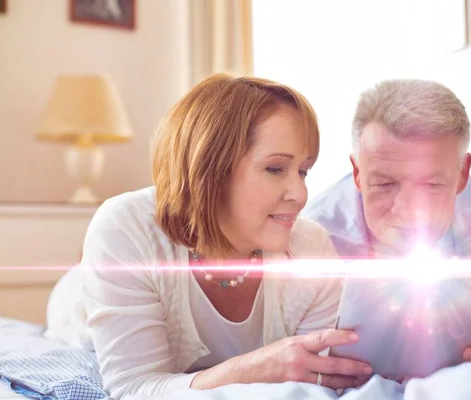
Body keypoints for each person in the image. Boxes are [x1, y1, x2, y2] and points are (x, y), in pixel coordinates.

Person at [45, 74, 372, 399]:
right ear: (210, 167)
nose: (300, 194)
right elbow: (133, 388)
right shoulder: (126, 228)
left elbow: (311, 381)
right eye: (275, 169)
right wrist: (250, 370)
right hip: (78, 306)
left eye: (303, 171)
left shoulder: (312, 250)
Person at [304, 79, 471, 384]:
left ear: (462, 174)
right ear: (357, 173)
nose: (411, 210)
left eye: (432, 185)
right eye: (384, 184)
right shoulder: (314, 236)